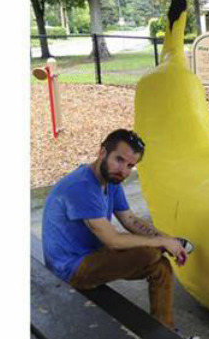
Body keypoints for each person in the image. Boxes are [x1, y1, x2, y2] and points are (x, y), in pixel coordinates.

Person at [42, 129, 189, 328]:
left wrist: (170, 240)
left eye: (130, 166)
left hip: (93, 255)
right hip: (69, 268)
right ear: (102, 152)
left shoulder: (111, 180)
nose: (123, 171)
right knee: (149, 252)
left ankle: (166, 332)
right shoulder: (81, 187)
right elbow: (112, 240)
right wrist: (161, 242)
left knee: (161, 267)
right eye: (119, 160)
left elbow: (129, 219)